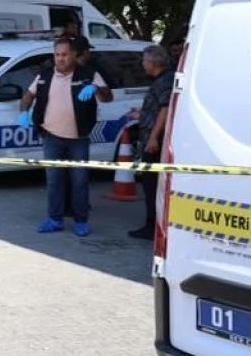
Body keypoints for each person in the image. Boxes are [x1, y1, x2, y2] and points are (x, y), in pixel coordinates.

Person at [18, 36, 113, 237]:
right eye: (57, 55)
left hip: (78, 138)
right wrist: (24, 111)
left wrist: (95, 88)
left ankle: (81, 220)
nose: (60, 59)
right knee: (54, 180)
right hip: (51, 136)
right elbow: (28, 95)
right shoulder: (45, 75)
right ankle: (55, 219)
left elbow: (108, 97)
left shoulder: (88, 73)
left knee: (79, 180)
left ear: (74, 55)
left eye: (64, 55)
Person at [128, 45, 174, 240]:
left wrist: (154, 137)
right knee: (150, 185)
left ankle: (152, 227)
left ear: (154, 62)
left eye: (145, 61)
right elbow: (158, 110)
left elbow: (165, 110)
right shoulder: (161, 80)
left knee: (152, 186)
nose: (142, 64)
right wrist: (142, 114)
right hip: (152, 139)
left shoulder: (165, 80)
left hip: (155, 144)